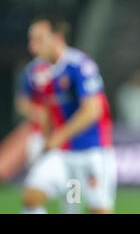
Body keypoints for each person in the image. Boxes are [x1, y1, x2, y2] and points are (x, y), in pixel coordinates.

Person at [21, 15, 117, 214]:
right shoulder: (39, 71)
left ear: (57, 38)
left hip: (92, 152)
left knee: (97, 210)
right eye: (32, 40)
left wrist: (59, 135)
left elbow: (92, 110)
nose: (33, 46)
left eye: (39, 39)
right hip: (62, 155)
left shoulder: (79, 65)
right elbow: (46, 107)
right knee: (31, 197)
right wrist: (47, 138)